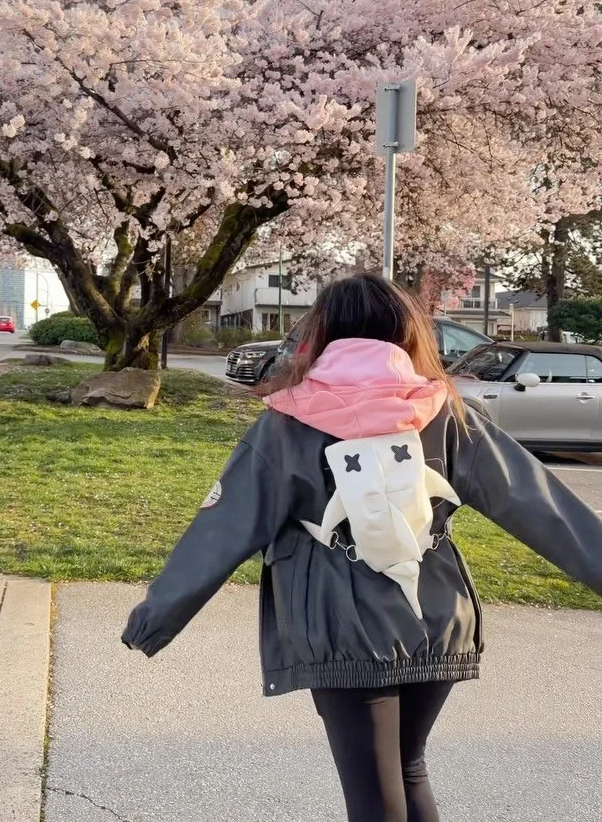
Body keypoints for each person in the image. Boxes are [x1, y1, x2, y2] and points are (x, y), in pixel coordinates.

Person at [122, 274, 602, 822]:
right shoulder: (446, 410)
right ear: (409, 332)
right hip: (437, 613)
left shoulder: (286, 421)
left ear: (320, 332)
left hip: (339, 625)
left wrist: (153, 620)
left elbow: (225, 525)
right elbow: (541, 506)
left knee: (373, 795)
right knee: (409, 768)